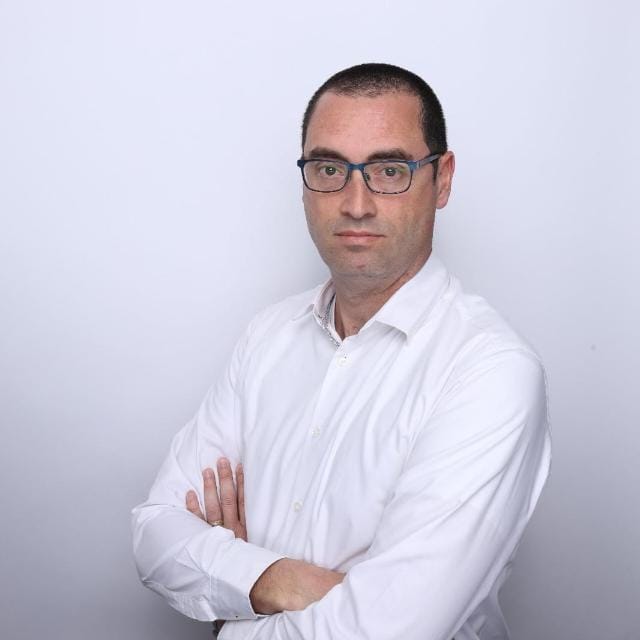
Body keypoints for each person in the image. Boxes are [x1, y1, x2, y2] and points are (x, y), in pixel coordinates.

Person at [132, 63, 551, 640]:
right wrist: (274, 580)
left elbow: (387, 632)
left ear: (443, 179)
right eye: (329, 169)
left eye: (389, 170)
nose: (356, 203)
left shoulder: (490, 372)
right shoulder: (267, 337)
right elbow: (155, 533)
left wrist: (230, 597)